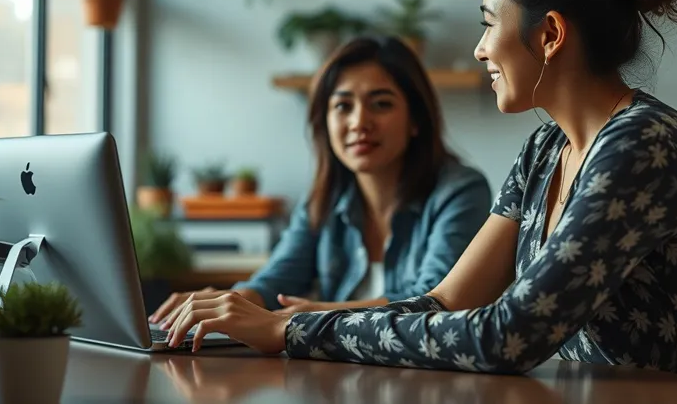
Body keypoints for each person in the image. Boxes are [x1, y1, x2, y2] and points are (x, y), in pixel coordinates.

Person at [160, 0, 677, 404]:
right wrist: (290, 324)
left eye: (488, 23)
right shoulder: (544, 150)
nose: (478, 49)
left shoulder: (643, 144)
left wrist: (293, 328)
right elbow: (446, 301)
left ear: (549, 35)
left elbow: (508, 336)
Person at [151, 35, 492, 325]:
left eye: (381, 104)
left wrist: (309, 317)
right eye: (343, 106)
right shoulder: (323, 200)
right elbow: (274, 282)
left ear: (416, 120)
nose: (359, 122)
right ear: (324, 123)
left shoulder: (461, 191)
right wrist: (230, 302)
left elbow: (435, 303)